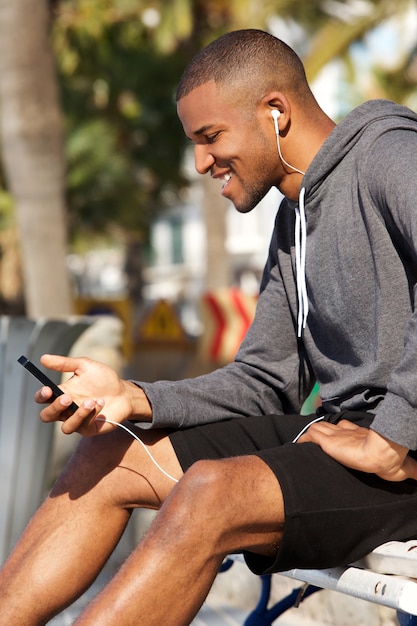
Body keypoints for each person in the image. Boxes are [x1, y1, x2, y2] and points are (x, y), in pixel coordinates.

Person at [2, 27, 417, 625]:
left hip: (402, 461)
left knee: (209, 492)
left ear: (276, 111)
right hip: (343, 443)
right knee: (109, 457)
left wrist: (395, 431)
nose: (200, 162)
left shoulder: (390, 155)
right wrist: (135, 397)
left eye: (210, 136)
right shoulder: (294, 221)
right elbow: (264, 381)